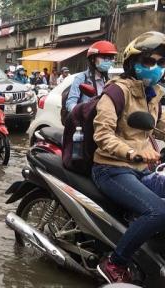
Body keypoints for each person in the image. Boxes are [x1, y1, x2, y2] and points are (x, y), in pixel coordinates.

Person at [92, 31, 165, 283]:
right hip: (112, 169)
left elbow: (161, 124)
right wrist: (134, 152)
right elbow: (102, 136)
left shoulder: (154, 94)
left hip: (141, 170)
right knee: (158, 211)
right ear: (132, 63)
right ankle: (114, 263)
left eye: (161, 62)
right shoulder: (115, 92)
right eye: (148, 62)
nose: (155, 68)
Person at [66, 40, 117, 112]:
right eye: (104, 57)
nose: (107, 61)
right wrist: (81, 113)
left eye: (110, 58)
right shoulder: (81, 78)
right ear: (93, 59)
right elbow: (70, 103)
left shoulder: (108, 81)